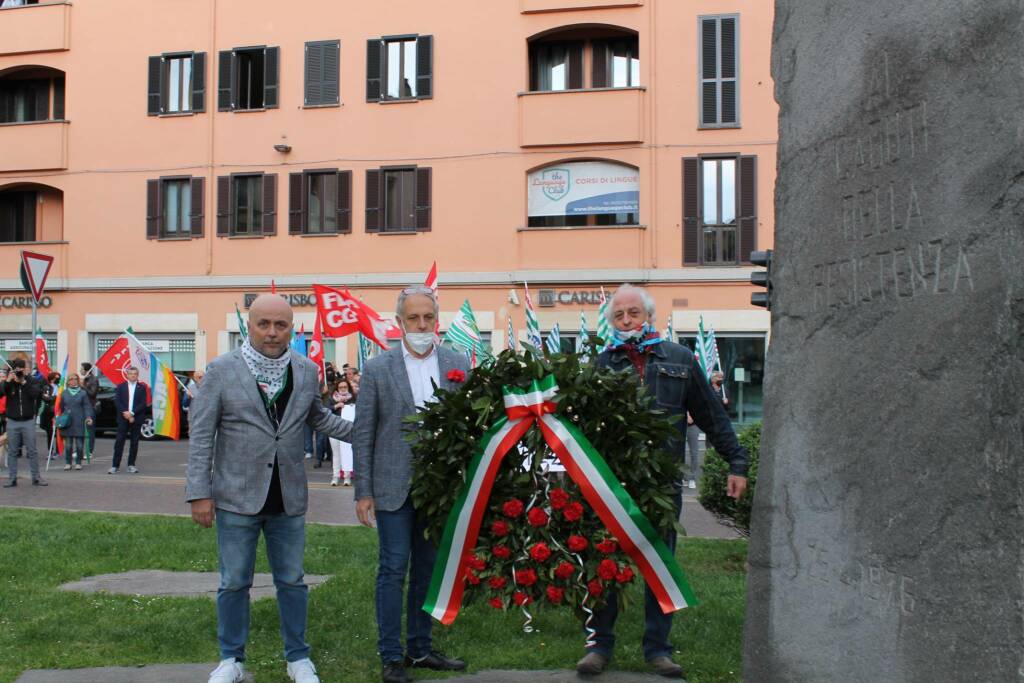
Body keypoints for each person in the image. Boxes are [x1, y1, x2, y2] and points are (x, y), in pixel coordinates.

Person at [577, 284, 749, 679]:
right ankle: (599, 645)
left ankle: (658, 649)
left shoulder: (681, 359)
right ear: (611, 322)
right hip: (613, 487)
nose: (626, 321)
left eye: (633, 313)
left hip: (662, 486)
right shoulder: (601, 366)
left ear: (648, 315)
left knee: (660, 564)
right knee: (604, 565)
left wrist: (736, 463)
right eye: (619, 316)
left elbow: (712, 417)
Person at [186, 294, 354, 683]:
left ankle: (297, 658)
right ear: (250, 325)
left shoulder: (306, 370)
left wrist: (368, 431)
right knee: (233, 582)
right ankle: (231, 660)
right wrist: (199, 492)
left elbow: (318, 418)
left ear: (291, 328)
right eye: (264, 324)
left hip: (289, 497)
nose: (273, 332)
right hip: (235, 497)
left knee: (292, 581)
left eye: (281, 325)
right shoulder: (221, 370)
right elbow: (201, 436)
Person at [353, 286, 470, 683]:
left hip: (438, 489)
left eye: (428, 318)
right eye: (414, 318)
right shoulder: (378, 368)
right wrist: (362, 491)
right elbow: (364, 432)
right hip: (391, 486)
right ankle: (391, 655)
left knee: (427, 568)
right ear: (399, 322)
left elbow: (468, 425)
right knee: (392, 568)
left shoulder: (458, 362)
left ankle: (421, 648)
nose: (422, 325)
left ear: (437, 321)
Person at [2, 359, 47, 487]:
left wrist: (23, 382)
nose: (20, 372)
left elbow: (35, 394)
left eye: (22, 369)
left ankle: (36, 477)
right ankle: (12, 478)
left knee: (32, 450)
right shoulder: (9, 382)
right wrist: (8, 380)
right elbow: (1, 392)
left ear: (25, 369)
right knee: (12, 451)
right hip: (12, 421)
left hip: (28, 421)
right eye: (17, 369)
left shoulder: (32, 380)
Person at [109, 366, 148, 474]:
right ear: (127, 375)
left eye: (135, 374)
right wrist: (126, 413)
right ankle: (115, 465)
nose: (133, 375)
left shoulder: (142, 387)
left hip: (136, 418)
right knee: (119, 442)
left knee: (134, 442)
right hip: (123, 418)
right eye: (131, 373)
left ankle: (131, 464)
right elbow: (117, 402)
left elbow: (143, 403)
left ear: (137, 375)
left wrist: (132, 413)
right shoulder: (120, 387)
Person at [58, 373, 95, 470]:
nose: (73, 381)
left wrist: (88, 417)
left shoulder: (83, 393)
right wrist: (58, 417)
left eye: (75, 379)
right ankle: (68, 462)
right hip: (68, 422)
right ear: (68, 381)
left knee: (79, 444)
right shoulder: (64, 393)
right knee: (69, 445)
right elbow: (61, 407)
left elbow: (87, 406)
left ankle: (78, 462)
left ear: (78, 381)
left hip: (79, 420)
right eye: (71, 379)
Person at [81, 363, 100, 461]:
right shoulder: (85, 379)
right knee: (81, 429)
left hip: (90, 407)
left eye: (82, 369)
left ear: (86, 370)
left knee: (90, 430)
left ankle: (89, 451)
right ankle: (80, 450)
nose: (80, 370)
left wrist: (82, 386)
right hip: (82, 407)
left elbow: (92, 393)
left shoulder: (94, 380)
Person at [39, 371, 60, 452]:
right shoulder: (46, 387)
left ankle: (58, 451)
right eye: (56, 378)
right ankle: (50, 450)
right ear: (52, 379)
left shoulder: (60, 387)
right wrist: (55, 397)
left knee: (58, 432)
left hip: (58, 412)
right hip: (49, 412)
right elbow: (45, 398)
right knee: (50, 432)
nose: (58, 380)